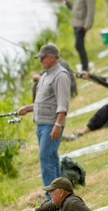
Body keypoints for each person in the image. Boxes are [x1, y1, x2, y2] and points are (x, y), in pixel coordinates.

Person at [17, 44, 70, 198]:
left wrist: (58, 125)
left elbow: (63, 103)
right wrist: (28, 108)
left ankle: (50, 198)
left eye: (42, 58)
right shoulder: (46, 75)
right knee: (51, 158)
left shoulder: (60, 75)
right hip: (41, 125)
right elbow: (45, 102)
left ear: (52, 57)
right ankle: (61, 194)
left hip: (51, 125)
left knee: (45, 159)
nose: (40, 61)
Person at [63, 0, 96, 71]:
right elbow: (75, 8)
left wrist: (88, 24)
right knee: (79, 45)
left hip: (82, 24)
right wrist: (66, 3)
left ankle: (85, 67)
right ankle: (84, 65)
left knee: (78, 45)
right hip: (76, 24)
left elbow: (91, 10)